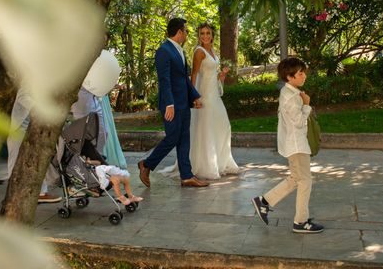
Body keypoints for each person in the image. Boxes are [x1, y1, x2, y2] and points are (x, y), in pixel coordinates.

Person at [251, 57, 324, 234]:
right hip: (297, 145)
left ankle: (264, 201)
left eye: (303, 72)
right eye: (300, 73)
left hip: (294, 144)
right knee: (305, 180)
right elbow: (299, 122)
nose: (304, 75)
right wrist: (307, 104)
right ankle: (300, 222)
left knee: (295, 179)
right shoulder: (292, 98)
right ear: (289, 77)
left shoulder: (289, 92)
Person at [159, 23, 239, 179]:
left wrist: (220, 76)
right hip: (203, 95)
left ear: (212, 35)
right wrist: (194, 96)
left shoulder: (212, 51)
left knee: (222, 126)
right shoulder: (199, 51)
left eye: (208, 33)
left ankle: (220, 162)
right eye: (202, 33)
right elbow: (194, 75)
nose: (205, 36)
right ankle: (206, 165)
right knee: (206, 128)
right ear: (198, 36)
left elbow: (210, 75)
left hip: (214, 94)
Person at [138, 18, 208, 188]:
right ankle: (146, 164)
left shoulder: (180, 51)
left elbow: (183, 78)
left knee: (184, 139)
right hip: (172, 105)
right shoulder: (164, 51)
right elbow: (164, 80)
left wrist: (194, 96)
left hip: (184, 103)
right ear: (179, 32)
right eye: (186, 30)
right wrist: (169, 104)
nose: (187, 34)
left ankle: (187, 176)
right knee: (172, 138)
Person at [6, 87, 61, 203]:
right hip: (19, 129)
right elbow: (22, 97)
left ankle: (41, 193)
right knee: (15, 161)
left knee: (38, 159)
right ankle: (13, 193)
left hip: (32, 130)